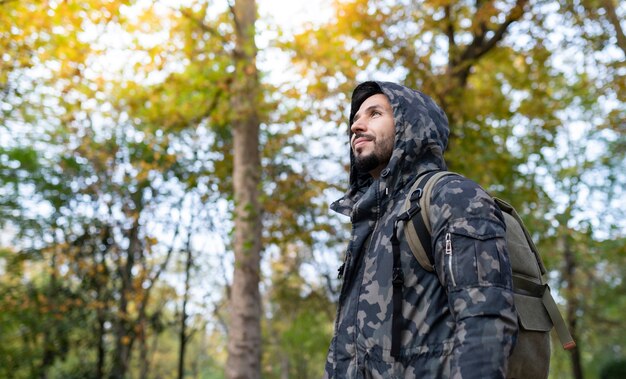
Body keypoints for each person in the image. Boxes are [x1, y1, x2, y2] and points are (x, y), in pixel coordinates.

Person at [324, 81, 518, 378]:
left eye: (374, 114)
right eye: (355, 119)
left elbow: (485, 321)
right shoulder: (370, 224)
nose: (356, 126)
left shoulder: (452, 196)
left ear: (409, 126)